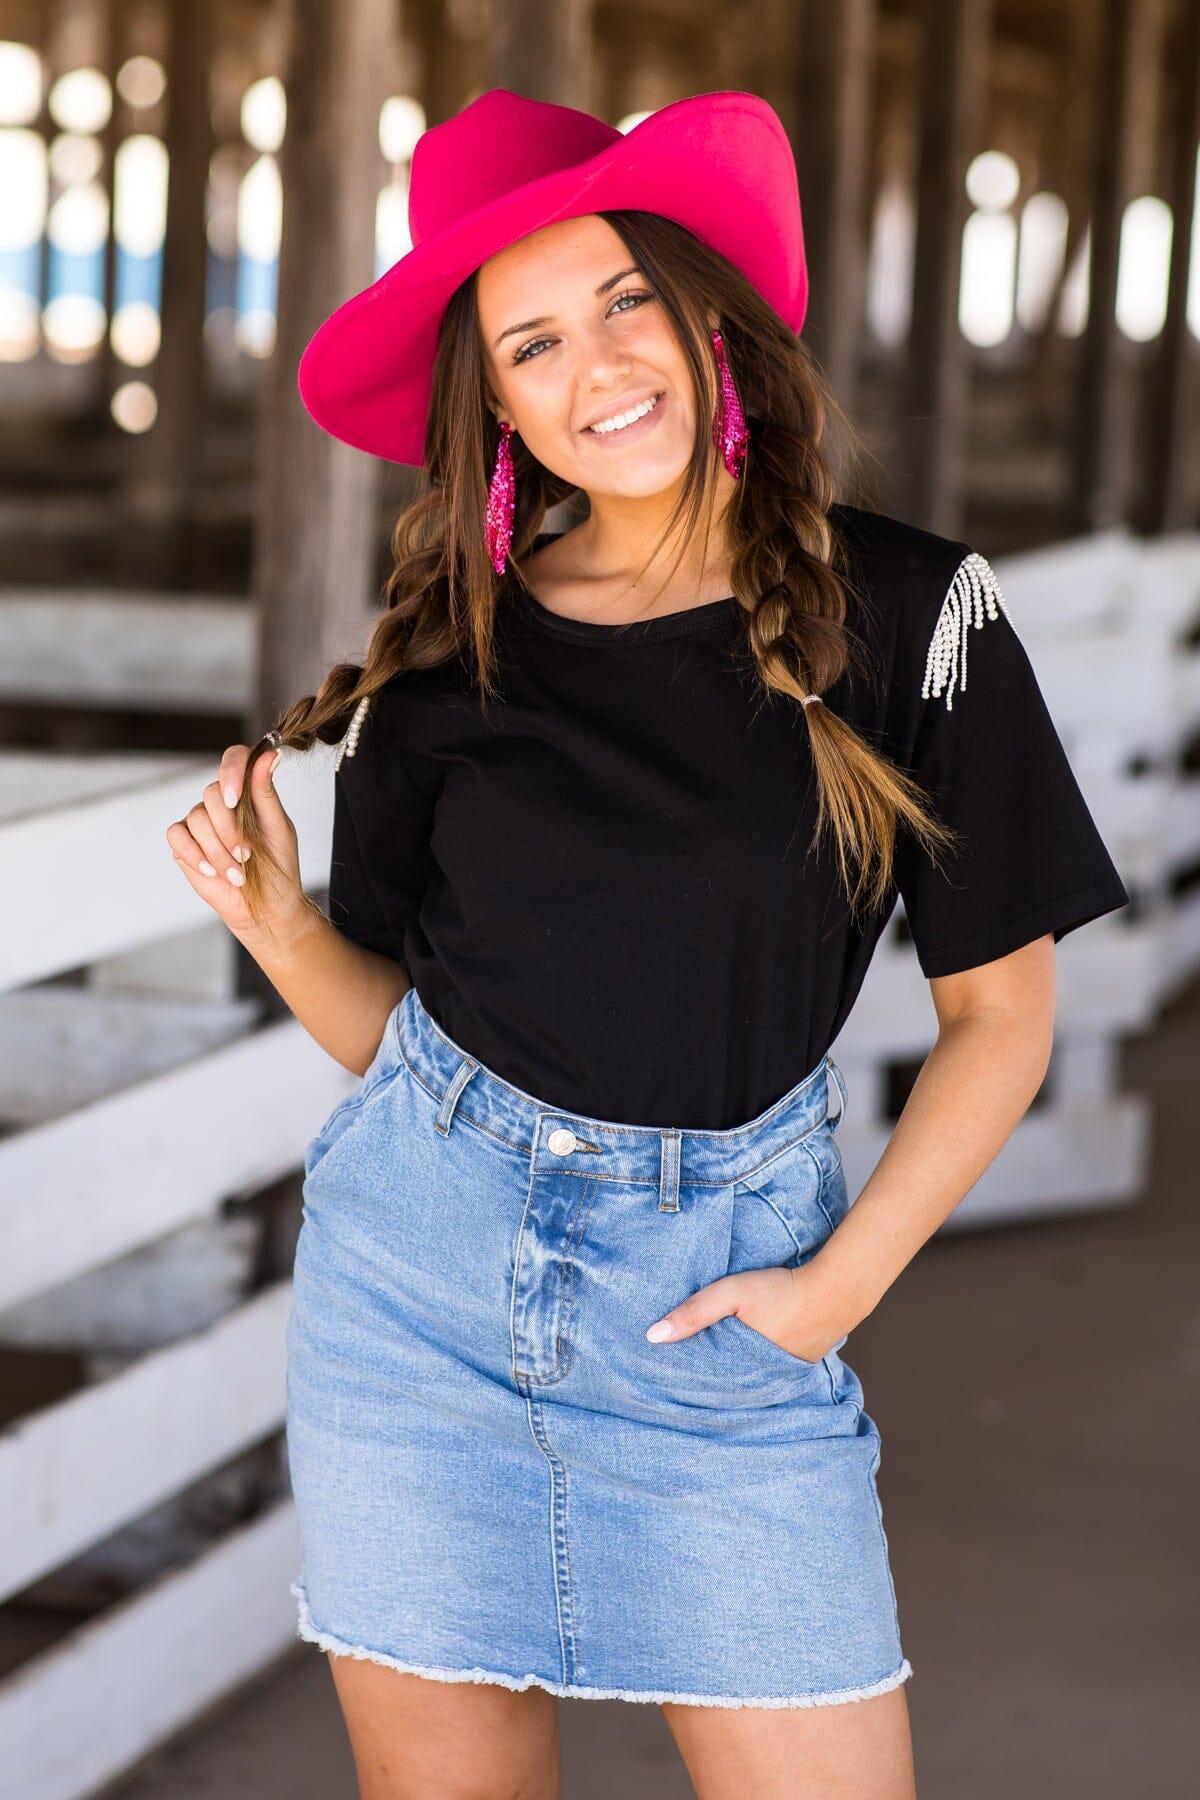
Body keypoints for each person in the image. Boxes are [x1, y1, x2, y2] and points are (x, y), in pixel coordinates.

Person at [166, 88, 1129, 1800]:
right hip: (416, 1308)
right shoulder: (449, 667)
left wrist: (834, 1295)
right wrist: (280, 924)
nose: (601, 365)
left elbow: (1002, 1019)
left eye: (625, 300)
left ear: (703, 310)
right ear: (499, 407)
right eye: (534, 343)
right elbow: (408, 1041)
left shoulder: (909, 610)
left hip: (726, 1315)